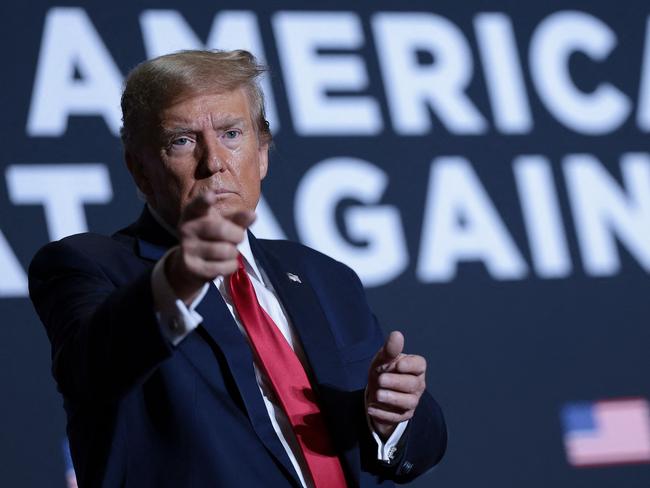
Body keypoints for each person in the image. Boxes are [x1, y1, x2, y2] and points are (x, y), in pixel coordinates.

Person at [29, 49, 446, 488]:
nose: (214, 162)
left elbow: (425, 445)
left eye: (231, 133)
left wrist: (391, 419)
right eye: (182, 141)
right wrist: (177, 280)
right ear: (141, 171)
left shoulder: (324, 277)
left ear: (262, 153)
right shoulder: (89, 266)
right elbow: (92, 368)